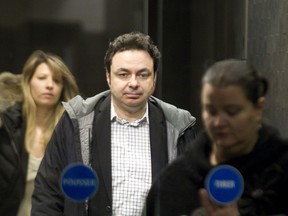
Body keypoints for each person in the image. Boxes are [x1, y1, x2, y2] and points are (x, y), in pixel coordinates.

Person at [31, 31, 197, 216]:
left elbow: (194, 200)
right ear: (108, 77)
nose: (133, 83)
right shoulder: (77, 122)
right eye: (123, 74)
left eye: (143, 74)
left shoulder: (177, 127)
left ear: (154, 79)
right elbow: (47, 196)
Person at [144, 59, 288, 216]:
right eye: (211, 111)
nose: (219, 123)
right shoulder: (174, 182)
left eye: (232, 112)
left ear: (259, 109)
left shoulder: (281, 170)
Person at [0, 50, 79, 216]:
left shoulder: (72, 131)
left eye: (56, 80)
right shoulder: (8, 128)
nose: (49, 85)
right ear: (28, 82)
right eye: (42, 78)